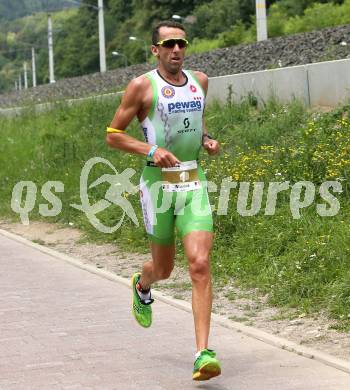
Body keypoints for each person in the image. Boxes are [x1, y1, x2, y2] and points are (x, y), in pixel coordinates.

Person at [106, 20, 221, 381]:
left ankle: (203, 353)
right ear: (155, 50)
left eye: (181, 44)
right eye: (168, 44)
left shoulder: (200, 81)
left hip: (193, 182)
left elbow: (195, 121)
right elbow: (113, 135)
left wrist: (206, 139)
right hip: (157, 187)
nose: (176, 50)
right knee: (165, 270)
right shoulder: (142, 86)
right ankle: (143, 284)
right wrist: (151, 149)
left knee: (199, 264)